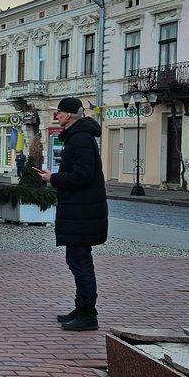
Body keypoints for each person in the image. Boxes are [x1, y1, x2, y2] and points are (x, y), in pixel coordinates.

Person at [34, 98, 107, 332]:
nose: (57, 115)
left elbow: (83, 175)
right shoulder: (78, 136)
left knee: (81, 262)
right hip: (80, 211)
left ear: (69, 115)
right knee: (76, 261)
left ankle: (88, 314)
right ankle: (81, 308)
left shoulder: (81, 139)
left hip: (83, 212)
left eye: (60, 112)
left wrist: (52, 178)